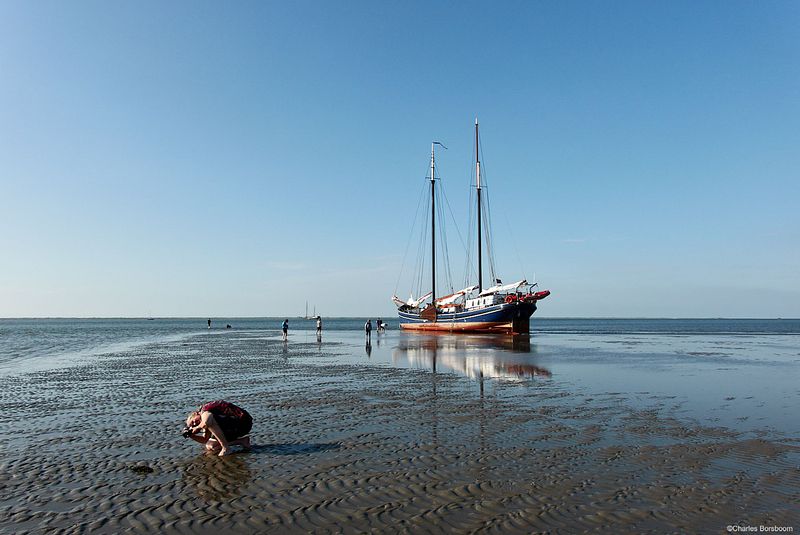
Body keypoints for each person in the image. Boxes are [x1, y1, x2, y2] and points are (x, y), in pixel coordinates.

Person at [183, 400, 252, 457]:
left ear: (196, 413)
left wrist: (197, 428)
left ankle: (226, 448)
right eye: (194, 425)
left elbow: (207, 421)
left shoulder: (204, 410)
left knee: (209, 422)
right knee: (211, 446)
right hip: (238, 425)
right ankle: (242, 441)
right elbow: (205, 440)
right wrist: (192, 435)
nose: (195, 424)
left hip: (243, 422)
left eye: (193, 421)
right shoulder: (204, 420)